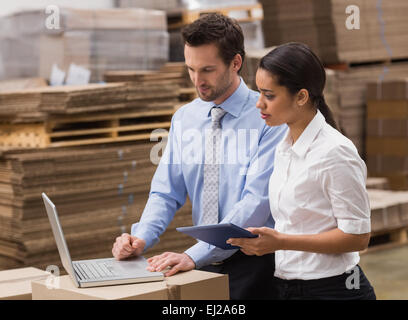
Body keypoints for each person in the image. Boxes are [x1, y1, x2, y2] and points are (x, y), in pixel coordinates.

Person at [111, 13, 287, 300]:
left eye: (207, 70)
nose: (197, 80)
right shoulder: (185, 119)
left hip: (255, 264)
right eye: (190, 69)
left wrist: (195, 254)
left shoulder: (267, 118)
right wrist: (141, 237)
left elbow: (257, 202)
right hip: (203, 263)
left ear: (236, 63)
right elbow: (166, 192)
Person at [227, 42, 376, 300]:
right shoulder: (284, 146)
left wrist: (281, 242)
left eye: (269, 95)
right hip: (286, 286)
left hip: (333, 290)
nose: (259, 104)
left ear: (301, 97)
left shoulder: (335, 152)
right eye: (258, 93)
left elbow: (357, 236)